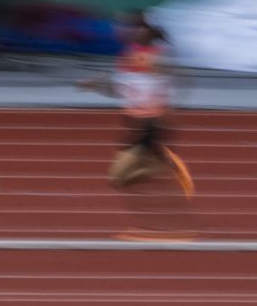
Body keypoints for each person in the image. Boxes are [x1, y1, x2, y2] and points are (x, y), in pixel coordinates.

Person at [79, 15, 195, 238]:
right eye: (129, 28)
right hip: (132, 123)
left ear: (147, 32)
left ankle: (167, 219)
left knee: (119, 177)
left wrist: (168, 109)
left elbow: (178, 80)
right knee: (131, 179)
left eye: (135, 28)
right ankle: (161, 217)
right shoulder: (126, 57)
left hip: (149, 124)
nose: (128, 31)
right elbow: (120, 91)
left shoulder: (156, 58)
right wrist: (95, 86)